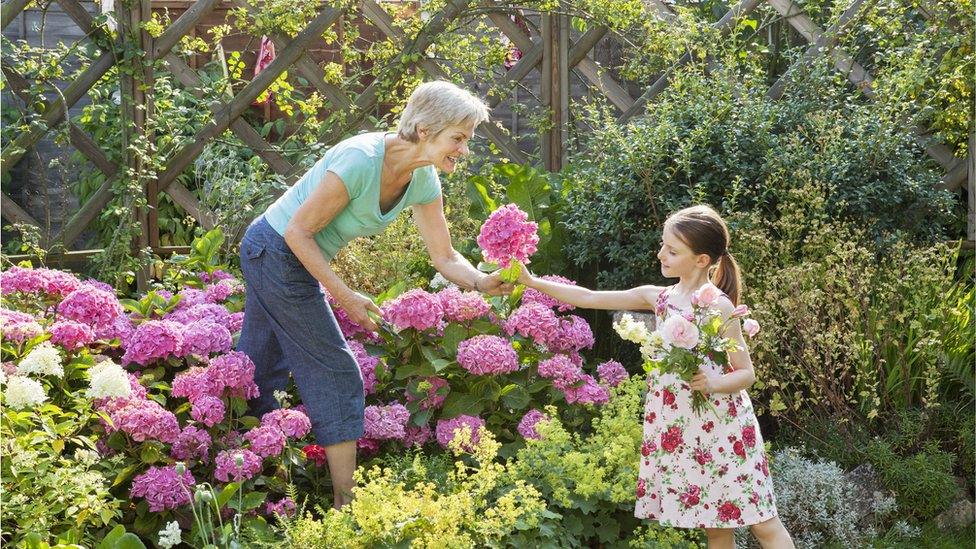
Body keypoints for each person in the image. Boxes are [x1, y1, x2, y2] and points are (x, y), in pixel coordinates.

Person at [237, 81, 512, 508]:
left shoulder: (423, 179)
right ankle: (346, 505)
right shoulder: (360, 160)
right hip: (274, 249)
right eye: (458, 138)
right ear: (424, 129)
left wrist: (481, 280)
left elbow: (445, 256)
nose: (463, 149)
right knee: (336, 368)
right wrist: (346, 296)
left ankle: (236, 478)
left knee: (258, 370)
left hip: (286, 254)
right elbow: (297, 232)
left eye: (466, 140)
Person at [517, 205, 794, 548]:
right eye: (663, 245)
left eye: (672, 250)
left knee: (762, 523)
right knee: (715, 526)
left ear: (702, 260)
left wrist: (712, 383)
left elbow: (746, 373)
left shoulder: (719, 306)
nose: (661, 254)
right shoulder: (659, 298)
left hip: (723, 429)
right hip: (683, 426)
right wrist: (529, 280)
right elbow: (589, 297)